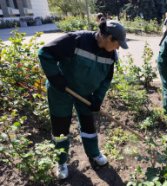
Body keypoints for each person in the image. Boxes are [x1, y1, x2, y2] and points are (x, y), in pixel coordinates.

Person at [38, 17, 128, 179]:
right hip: (61, 90)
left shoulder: (110, 55)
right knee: (60, 129)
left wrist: (98, 99)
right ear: (108, 38)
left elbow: (106, 79)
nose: (118, 48)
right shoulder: (77, 40)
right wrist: (55, 78)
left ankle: (94, 153)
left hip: (85, 94)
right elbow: (45, 53)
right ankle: (61, 162)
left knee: (88, 125)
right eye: (117, 44)